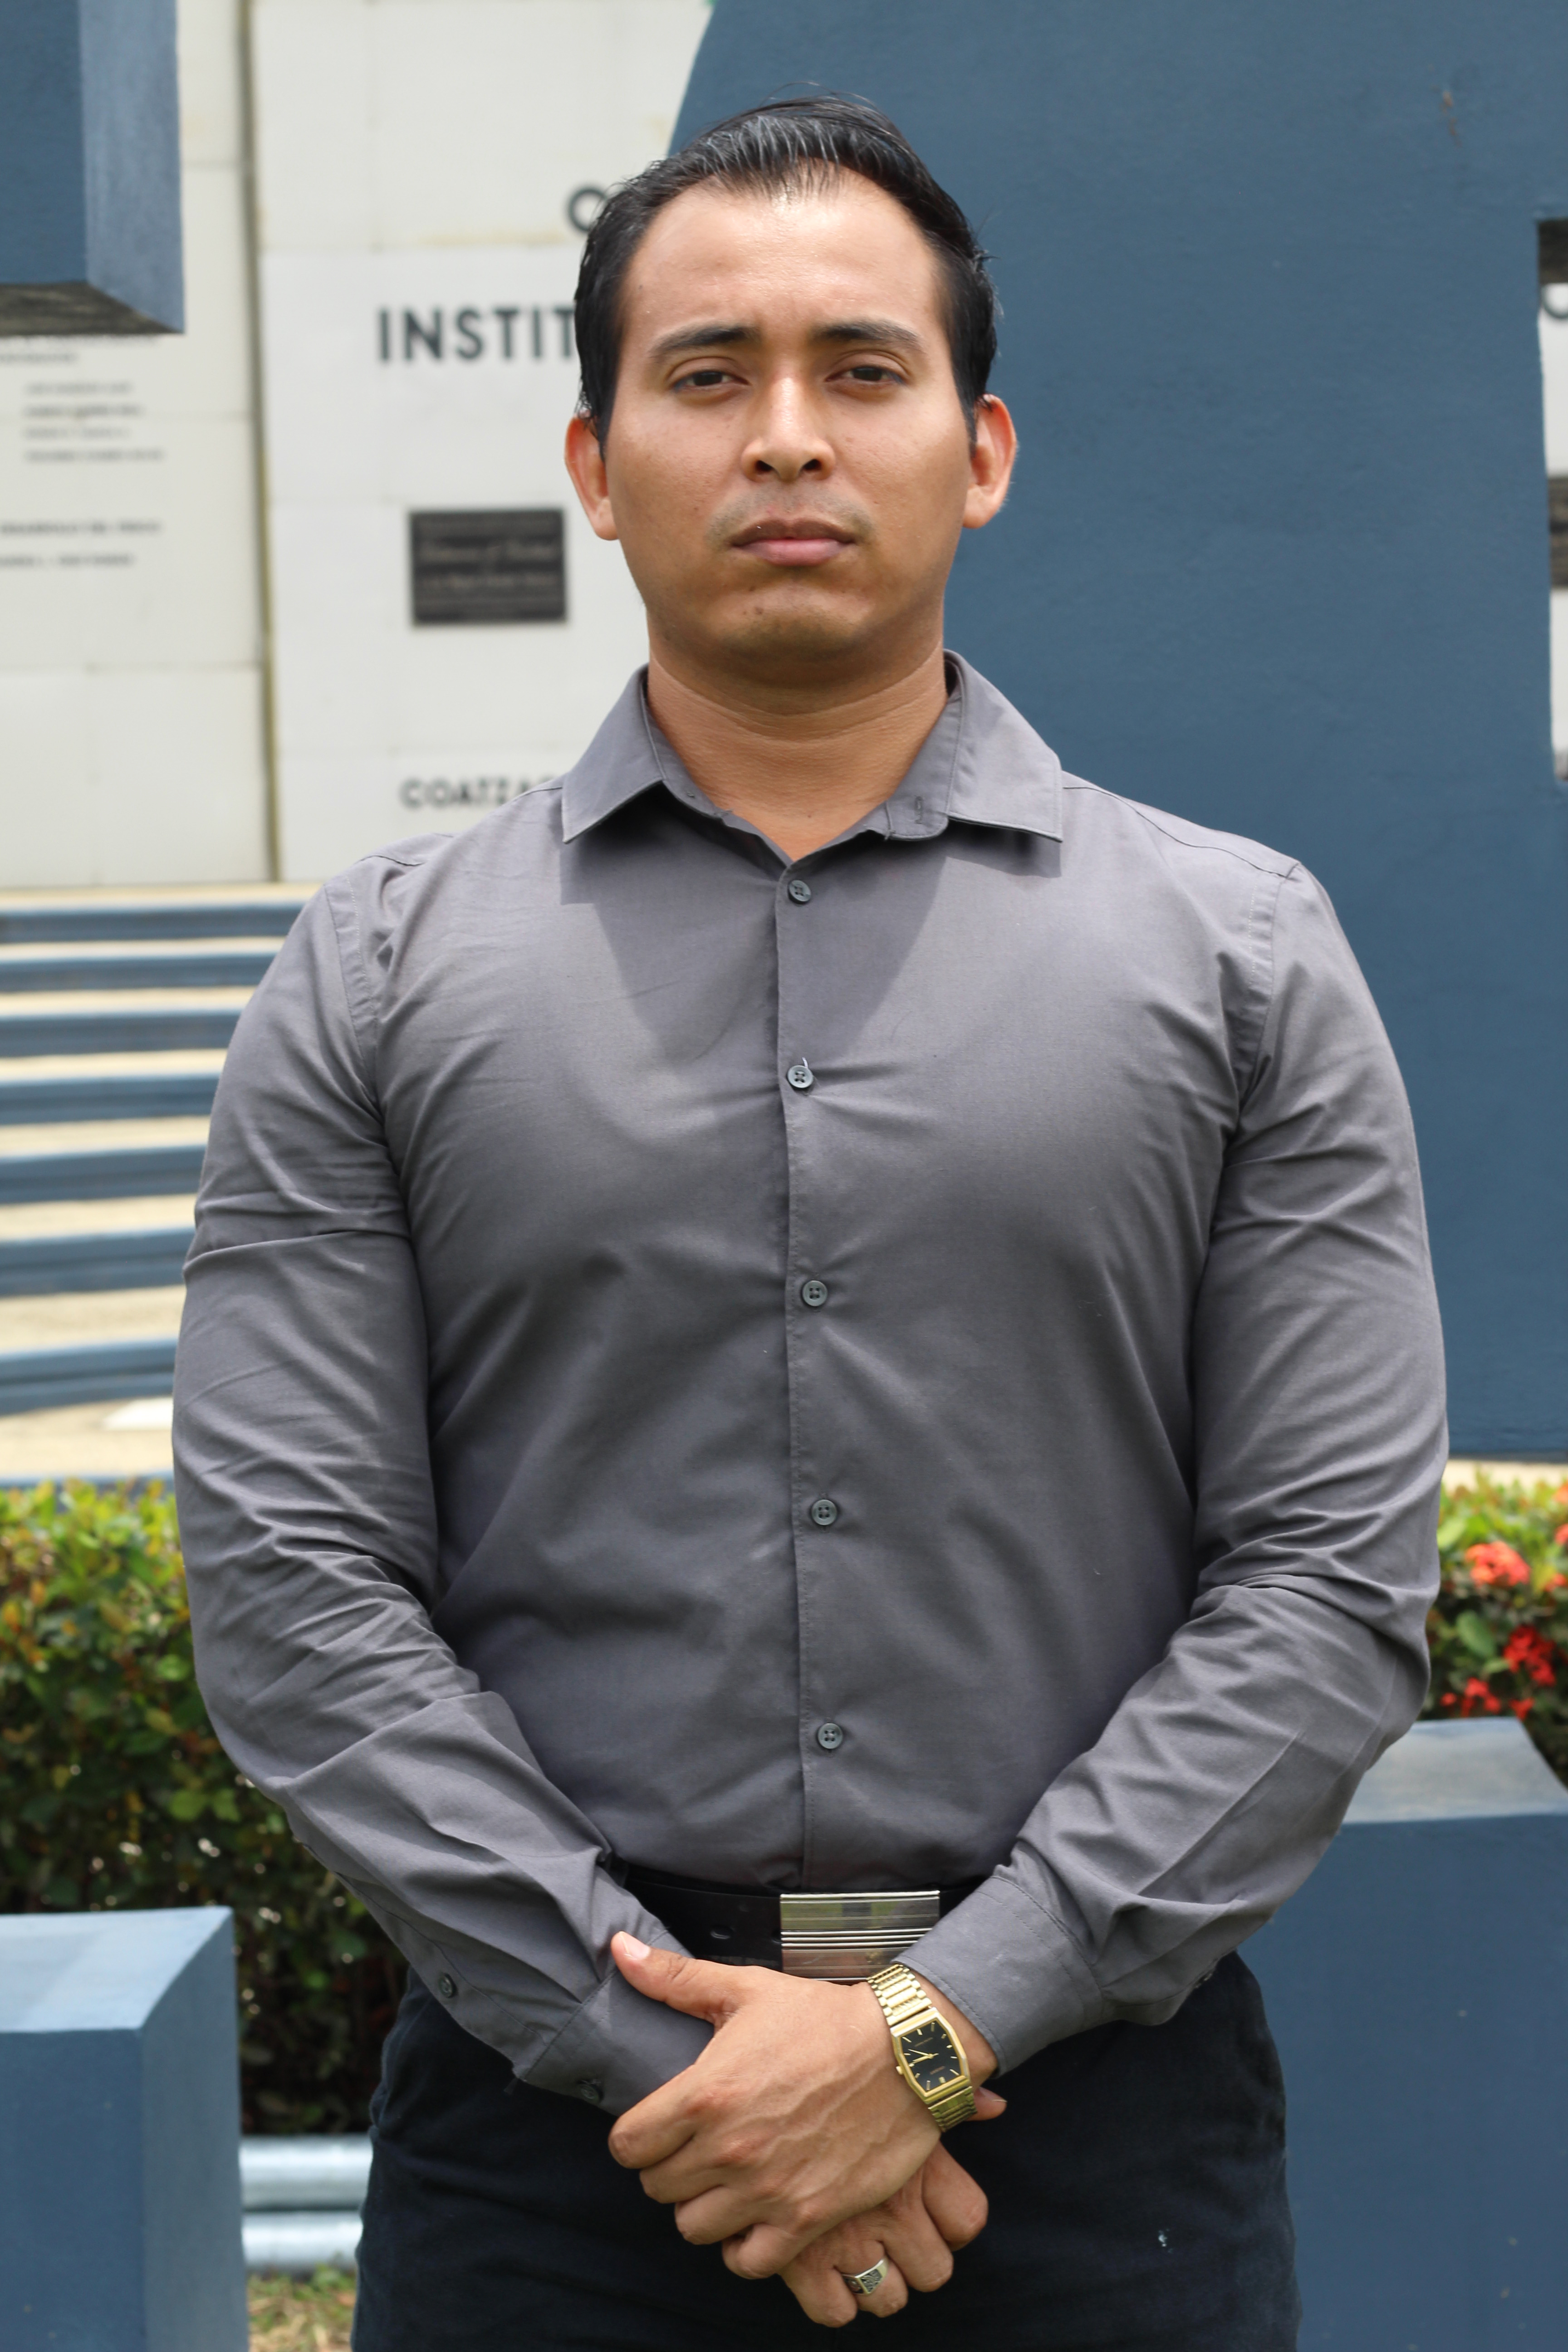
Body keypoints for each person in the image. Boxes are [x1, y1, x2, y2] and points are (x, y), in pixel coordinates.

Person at [174, 95, 1446, 2350]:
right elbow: (294, 1587)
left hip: (1096, 2139)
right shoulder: (372, 973)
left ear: (983, 451)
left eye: (864, 370)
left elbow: (1329, 1584)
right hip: (558, 2149)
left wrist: (933, 2030)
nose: (786, 435)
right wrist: (669, 2050)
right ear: (596, 463)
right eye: (707, 373)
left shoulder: (1244, 958)